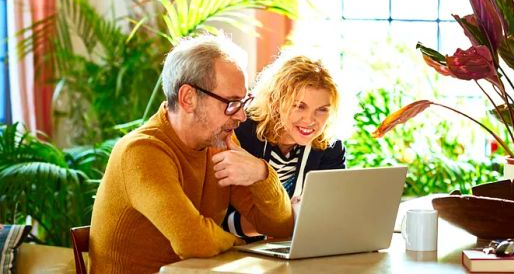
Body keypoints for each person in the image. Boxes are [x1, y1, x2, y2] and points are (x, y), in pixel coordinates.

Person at [89, 34, 293, 273]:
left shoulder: (219, 142)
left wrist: (261, 173)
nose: (241, 116)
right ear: (188, 98)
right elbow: (194, 242)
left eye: (243, 102)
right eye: (231, 103)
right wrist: (238, 243)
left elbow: (281, 228)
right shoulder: (142, 151)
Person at [224, 54, 345, 240]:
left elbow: (330, 214)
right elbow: (223, 220)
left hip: (294, 248)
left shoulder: (330, 148)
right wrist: (285, 222)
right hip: (239, 251)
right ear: (276, 101)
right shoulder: (241, 134)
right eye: (299, 106)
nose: (310, 120)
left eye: (322, 109)